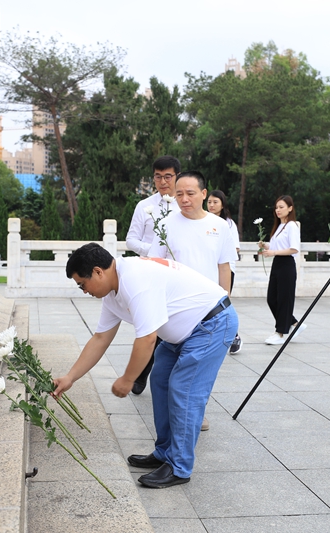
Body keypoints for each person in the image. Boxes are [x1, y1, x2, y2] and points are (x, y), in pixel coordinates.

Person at [53, 244, 238, 489]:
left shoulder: (135, 280)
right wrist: (70, 377)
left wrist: (128, 379)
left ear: (98, 272)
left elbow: (148, 338)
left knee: (184, 390)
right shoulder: (112, 291)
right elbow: (100, 338)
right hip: (183, 333)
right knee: (160, 380)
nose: (84, 291)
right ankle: (165, 453)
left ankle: (179, 466)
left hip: (212, 324)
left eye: (82, 284)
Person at [150, 172, 237, 431]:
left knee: (200, 370)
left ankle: (196, 413)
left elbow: (224, 267)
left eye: (190, 193)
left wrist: (226, 301)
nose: (184, 199)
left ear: (203, 193)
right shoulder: (165, 224)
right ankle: (177, 419)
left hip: (209, 311)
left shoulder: (219, 226)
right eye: (179, 194)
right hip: (176, 309)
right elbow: (155, 264)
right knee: (169, 371)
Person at [125, 155, 180, 394]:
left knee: (174, 325)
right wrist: (156, 250)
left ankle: (166, 378)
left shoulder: (185, 205)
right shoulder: (144, 206)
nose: (163, 181)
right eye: (158, 176)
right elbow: (130, 240)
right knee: (151, 326)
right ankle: (140, 375)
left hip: (178, 276)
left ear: (177, 176)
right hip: (151, 272)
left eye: (168, 176)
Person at [259, 195, 305, 345]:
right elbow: (277, 246)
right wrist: (266, 246)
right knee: (272, 299)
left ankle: (280, 333)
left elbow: (293, 249)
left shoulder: (292, 226)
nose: (278, 210)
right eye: (276, 207)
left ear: (290, 208)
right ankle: (295, 325)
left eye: (281, 207)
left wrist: (273, 253)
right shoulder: (279, 226)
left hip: (286, 264)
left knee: (284, 299)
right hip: (277, 264)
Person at [207, 190, 243, 354]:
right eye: (209, 202)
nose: (212, 205)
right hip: (207, 269)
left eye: (215, 202)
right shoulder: (203, 221)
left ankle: (234, 336)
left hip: (225, 269)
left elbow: (235, 248)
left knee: (222, 304)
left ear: (222, 204)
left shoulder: (228, 224)